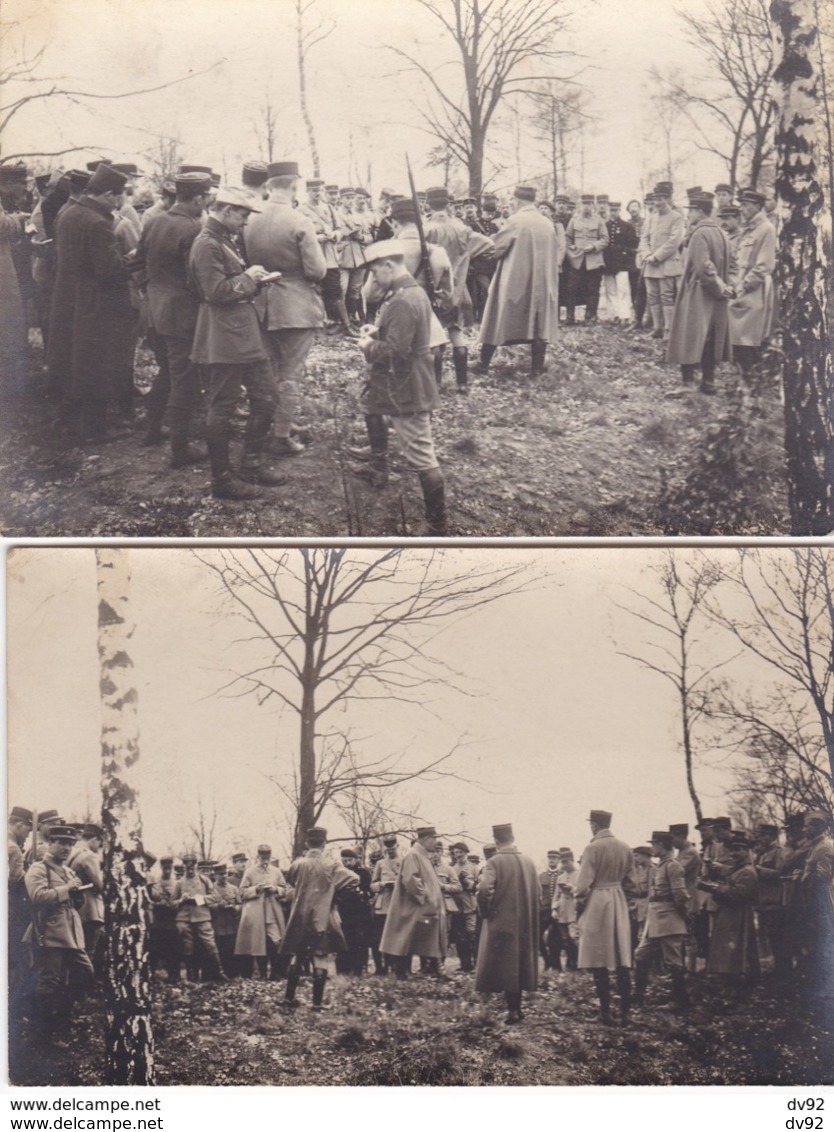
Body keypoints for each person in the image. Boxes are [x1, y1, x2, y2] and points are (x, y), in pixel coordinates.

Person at [188, 186, 287, 500]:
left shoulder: (221, 241)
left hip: (242, 334)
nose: (245, 223)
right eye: (242, 215)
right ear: (227, 210)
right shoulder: (206, 244)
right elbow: (214, 291)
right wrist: (251, 279)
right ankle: (222, 480)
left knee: (267, 397)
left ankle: (251, 463)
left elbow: (227, 285)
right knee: (223, 407)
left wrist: (248, 278)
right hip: (224, 337)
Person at [351, 239, 446, 536]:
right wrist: (378, 330)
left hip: (406, 388)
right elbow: (405, 332)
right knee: (371, 410)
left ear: (389, 265)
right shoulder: (410, 292)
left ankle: (436, 525)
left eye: (375, 272)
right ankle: (378, 468)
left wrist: (368, 345)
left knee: (421, 455)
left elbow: (396, 351)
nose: (373, 279)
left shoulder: (403, 299)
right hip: (400, 383)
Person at [243, 161, 327, 457]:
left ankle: (275, 424)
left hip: (258, 303)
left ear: (268, 186)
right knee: (290, 374)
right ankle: (280, 436)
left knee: (268, 371)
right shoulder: (299, 220)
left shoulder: (249, 218)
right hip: (295, 306)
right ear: (294, 186)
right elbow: (317, 271)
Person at [53, 162, 135, 441]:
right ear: (109, 194)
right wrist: (132, 259)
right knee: (97, 363)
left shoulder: (68, 212)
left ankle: (67, 420)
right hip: (98, 303)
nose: (119, 201)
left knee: (76, 361)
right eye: (118, 195)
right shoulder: (99, 222)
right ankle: (95, 429)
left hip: (71, 298)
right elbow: (109, 270)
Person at [136, 171, 211, 459]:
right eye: (206, 198)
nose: (207, 204)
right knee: (184, 379)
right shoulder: (194, 229)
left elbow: (137, 262)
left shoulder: (154, 221)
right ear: (198, 198)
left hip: (155, 311)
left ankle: (153, 430)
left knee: (167, 372)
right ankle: (180, 449)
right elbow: (197, 278)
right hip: (183, 316)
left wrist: (151, 290)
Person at [477, 184, 561, 376]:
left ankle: (483, 364)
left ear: (519, 200)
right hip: (543, 283)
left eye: (513, 200)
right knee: (539, 322)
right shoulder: (547, 222)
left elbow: (495, 248)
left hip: (515, 280)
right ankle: (536, 369)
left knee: (496, 315)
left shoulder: (515, 220)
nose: (512, 204)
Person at [24, 824, 94, 1049]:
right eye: (61, 842)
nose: (66, 848)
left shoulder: (69, 872)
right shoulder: (38, 868)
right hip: (50, 933)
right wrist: (66, 889)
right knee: (49, 983)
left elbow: (75, 904)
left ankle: (60, 1019)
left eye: (70, 844)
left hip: (72, 934)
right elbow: (37, 896)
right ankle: (43, 1034)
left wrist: (77, 893)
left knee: (85, 972)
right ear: (50, 842)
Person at [423, 185, 494, 392]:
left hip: (434, 288)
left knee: (435, 337)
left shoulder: (425, 229)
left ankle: (435, 385)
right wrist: (467, 262)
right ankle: (462, 383)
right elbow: (489, 244)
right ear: (449, 204)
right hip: (458, 287)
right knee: (456, 332)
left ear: (428, 204)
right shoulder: (462, 228)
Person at [279, 827, 359, 1010]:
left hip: (300, 917)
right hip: (322, 917)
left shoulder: (297, 864)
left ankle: (289, 999)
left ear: (307, 844)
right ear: (324, 843)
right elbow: (353, 879)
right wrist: (333, 896)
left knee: (298, 956)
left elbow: (291, 882)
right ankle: (316, 1004)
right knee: (321, 956)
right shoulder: (332, 865)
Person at [665, 191, 733, 394]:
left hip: (699, 292)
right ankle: (708, 382)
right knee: (710, 337)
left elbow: (704, 268)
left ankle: (687, 384)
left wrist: (717, 288)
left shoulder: (700, 233)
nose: (689, 215)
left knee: (688, 335)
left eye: (691, 211)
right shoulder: (721, 232)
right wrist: (723, 288)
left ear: (699, 212)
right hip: (717, 295)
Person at [574, 809, 635, 1025]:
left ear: (594, 825)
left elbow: (582, 887)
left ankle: (605, 1013)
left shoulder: (592, 847)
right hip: (618, 901)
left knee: (598, 959)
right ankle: (626, 1013)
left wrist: (577, 902)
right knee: (622, 959)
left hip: (598, 902)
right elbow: (631, 883)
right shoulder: (625, 847)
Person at [474, 822, 539, 1024]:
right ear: (512, 839)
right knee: (519, 964)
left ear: (496, 841)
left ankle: (512, 1011)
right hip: (525, 922)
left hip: (501, 920)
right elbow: (537, 891)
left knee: (505, 965)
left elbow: (484, 890)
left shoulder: (494, 862)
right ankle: (516, 1009)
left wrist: (485, 912)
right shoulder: (529, 861)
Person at [379, 825, 446, 979]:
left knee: (420, 937)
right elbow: (410, 879)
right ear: (426, 839)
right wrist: (427, 897)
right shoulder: (413, 854)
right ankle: (401, 973)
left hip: (422, 906)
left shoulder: (421, 855)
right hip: (414, 907)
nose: (435, 843)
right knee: (404, 938)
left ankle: (435, 970)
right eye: (434, 839)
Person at [633, 831, 690, 1011]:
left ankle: (679, 1000)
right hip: (655, 919)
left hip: (668, 919)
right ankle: (638, 996)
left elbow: (680, 895)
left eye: (654, 844)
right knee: (640, 955)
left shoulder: (673, 866)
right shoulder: (662, 866)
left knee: (673, 961)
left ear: (662, 845)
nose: (652, 848)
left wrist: (683, 917)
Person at [700, 830, 759, 1001]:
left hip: (739, 916)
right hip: (728, 914)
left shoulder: (748, 871)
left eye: (738, 850)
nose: (734, 853)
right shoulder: (736, 870)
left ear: (747, 851)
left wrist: (713, 888)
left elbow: (738, 895)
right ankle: (730, 987)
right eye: (732, 850)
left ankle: (740, 990)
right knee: (728, 951)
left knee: (737, 951)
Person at [728, 188, 776, 386]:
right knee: (738, 337)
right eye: (742, 205)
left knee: (749, 338)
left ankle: (752, 381)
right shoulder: (748, 229)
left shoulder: (766, 229)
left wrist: (743, 286)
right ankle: (745, 379)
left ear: (757, 206)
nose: (742, 209)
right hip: (741, 288)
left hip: (753, 290)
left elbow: (764, 265)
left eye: (746, 205)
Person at [798, 810, 834, 1023]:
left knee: (823, 947)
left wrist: (810, 909)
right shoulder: (815, 846)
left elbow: (820, 880)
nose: (804, 830)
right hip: (813, 904)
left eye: (808, 826)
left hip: (820, 905)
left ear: (819, 827)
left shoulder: (825, 847)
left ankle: (825, 997)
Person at [234, 843, 290, 979]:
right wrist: (256, 889)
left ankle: (275, 973)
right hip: (255, 914)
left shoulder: (276, 872)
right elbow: (241, 893)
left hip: (273, 913)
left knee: (276, 941)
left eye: (267, 857)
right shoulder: (250, 872)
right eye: (262, 857)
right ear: (257, 857)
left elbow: (286, 890)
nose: (265, 860)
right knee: (258, 944)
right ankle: (262, 974)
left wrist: (275, 889)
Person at [639, 181, 684, 340]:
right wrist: (646, 255)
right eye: (655, 199)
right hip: (650, 264)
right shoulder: (650, 218)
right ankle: (657, 328)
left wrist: (656, 256)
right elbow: (643, 239)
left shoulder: (677, 217)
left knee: (666, 296)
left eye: (661, 199)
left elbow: (674, 242)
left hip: (667, 264)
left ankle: (668, 330)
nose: (657, 202)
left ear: (669, 199)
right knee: (652, 295)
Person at [173, 852, 227, 983]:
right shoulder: (179, 883)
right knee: (187, 946)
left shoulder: (204, 880)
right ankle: (191, 975)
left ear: (196, 866)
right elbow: (172, 903)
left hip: (202, 916)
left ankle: (219, 972)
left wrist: (199, 899)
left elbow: (215, 897)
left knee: (210, 943)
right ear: (184, 867)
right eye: (187, 867)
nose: (190, 870)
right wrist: (181, 900)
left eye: (192, 867)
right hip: (184, 919)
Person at [563, 193, 609, 325]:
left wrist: (594, 247)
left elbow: (605, 239)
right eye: (584, 204)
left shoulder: (599, 221)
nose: (586, 207)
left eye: (589, 204)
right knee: (571, 288)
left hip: (594, 260)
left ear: (593, 205)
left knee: (593, 289)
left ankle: (590, 316)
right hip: (576, 260)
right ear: (580, 205)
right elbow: (567, 237)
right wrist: (571, 248)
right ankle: (570, 317)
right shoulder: (574, 220)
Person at [67, 823, 105, 974]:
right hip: (89, 911)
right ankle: (82, 991)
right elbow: (99, 885)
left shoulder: (72, 852)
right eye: (100, 843)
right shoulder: (89, 856)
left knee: (74, 951)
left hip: (75, 908)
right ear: (95, 839)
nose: (99, 847)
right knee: (88, 952)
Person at [753, 822, 788, 981]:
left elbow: (780, 875)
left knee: (778, 938)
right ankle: (779, 970)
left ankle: (783, 972)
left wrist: (759, 870)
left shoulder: (778, 852)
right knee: (771, 938)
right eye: (760, 835)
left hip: (775, 902)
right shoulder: (762, 853)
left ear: (773, 836)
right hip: (764, 903)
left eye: (764, 835)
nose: (761, 838)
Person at [8, 806, 33, 1018]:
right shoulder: (13, 849)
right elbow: (14, 880)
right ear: (19, 825)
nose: (28, 835)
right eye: (27, 829)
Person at [335, 847, 373, 976]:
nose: (347, 863)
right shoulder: (339, 873)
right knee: (343, 939)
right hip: (343, 911)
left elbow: (369, 891)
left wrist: (362, 894)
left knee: (360, 940)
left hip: (360, 912)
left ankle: (360, 968)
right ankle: (343, 969)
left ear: (356, 860)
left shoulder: (364, 873)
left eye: (349, 860)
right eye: (344, 861)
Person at [601, 202, 638, 323]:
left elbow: (633, 245)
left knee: (623, 290)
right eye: (611, 210)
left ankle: (625, 316)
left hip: (622, 262)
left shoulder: (627, 226)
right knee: (610, 290)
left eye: (616, 210)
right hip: (607, 261)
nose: (613, 213)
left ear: (619, 211)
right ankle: (614, 315)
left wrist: (624, 253)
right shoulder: (604, 225)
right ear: (608, 211)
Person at [370, 834, 401, 974]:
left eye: (393, 849)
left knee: (396, 938)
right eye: (388, 850)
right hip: (382, 906)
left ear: (397, 847)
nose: (391, 851)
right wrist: (381, 884)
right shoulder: (380, 864)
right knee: (378, 938)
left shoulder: (405, 862)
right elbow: (372, 885)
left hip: (398, 905)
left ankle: (397, 966)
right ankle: (381, 968)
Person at [148, 855, 181, 983]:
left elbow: (178, 901)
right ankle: (150, 975)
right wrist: (158, 903)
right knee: (154, 949)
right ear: (161, 867)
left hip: (172, 919)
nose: (167, 869)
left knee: (173, 949)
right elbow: (150, 900)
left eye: (169, 866)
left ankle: (174, 976)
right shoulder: (155, 882)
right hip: (158, 920)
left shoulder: (176, 883)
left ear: (172, 867)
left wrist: (174, 903)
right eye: (164, 866)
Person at [449, 841, 478, 972]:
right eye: (455, 853)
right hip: (457, 907)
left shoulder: (473, 868)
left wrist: (467, 882)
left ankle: (477, 964)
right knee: (460, 937)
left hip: (470, 906)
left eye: (460, 852)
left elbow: (479, 887)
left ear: (466, 853)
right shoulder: (452, 869)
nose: (458, 855)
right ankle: (465, 964)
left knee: (472, 934)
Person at [209, 864, 241, 977]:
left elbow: (239, 904)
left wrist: (236, 908)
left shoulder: (233, 888)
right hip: (217, 924)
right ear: (215, 875)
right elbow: (206, 905)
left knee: (231, 949)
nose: (224, 876)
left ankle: (232, 974)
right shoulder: (211, 889)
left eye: (225, 874)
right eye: (220, 874)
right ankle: (218, 975)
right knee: (219, 949)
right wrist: (218, 906)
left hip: (231, 924)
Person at [553, 847, 579, 971]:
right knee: (565, 939)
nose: (563, 865)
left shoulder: (580, 875)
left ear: (572, 861)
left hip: (574, 909)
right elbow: (556, 895)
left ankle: (578, 963)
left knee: (575, 937)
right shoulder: (561, 877)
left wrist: (572, 888)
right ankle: (571, 963)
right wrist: (554, 909)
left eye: (566, 862)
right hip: (562, 910)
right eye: (562, 862)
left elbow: (584, 892)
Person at [538, 849, 563, 971]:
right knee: (537, 936)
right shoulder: (541, 875)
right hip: (544, 911)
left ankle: (556, 965)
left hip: (558, 911)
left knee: (555, 939)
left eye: (554, 858)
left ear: (559, 860)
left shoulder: (562, 875)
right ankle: (547, 960)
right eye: (550, 858)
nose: (551, 860)